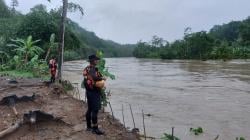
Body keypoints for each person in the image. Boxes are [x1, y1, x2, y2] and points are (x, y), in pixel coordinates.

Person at [83, 54, 105, 135]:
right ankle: (95, 129)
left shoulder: (87, 68)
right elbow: (93, 77)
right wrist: (102, 78)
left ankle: (89, 127)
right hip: (94, 92)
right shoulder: (92, 69)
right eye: (96, 60)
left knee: (90, 109)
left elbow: (87, 78)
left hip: (88, 91)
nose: (97, 61)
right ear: (93, 61)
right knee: (95, 110)